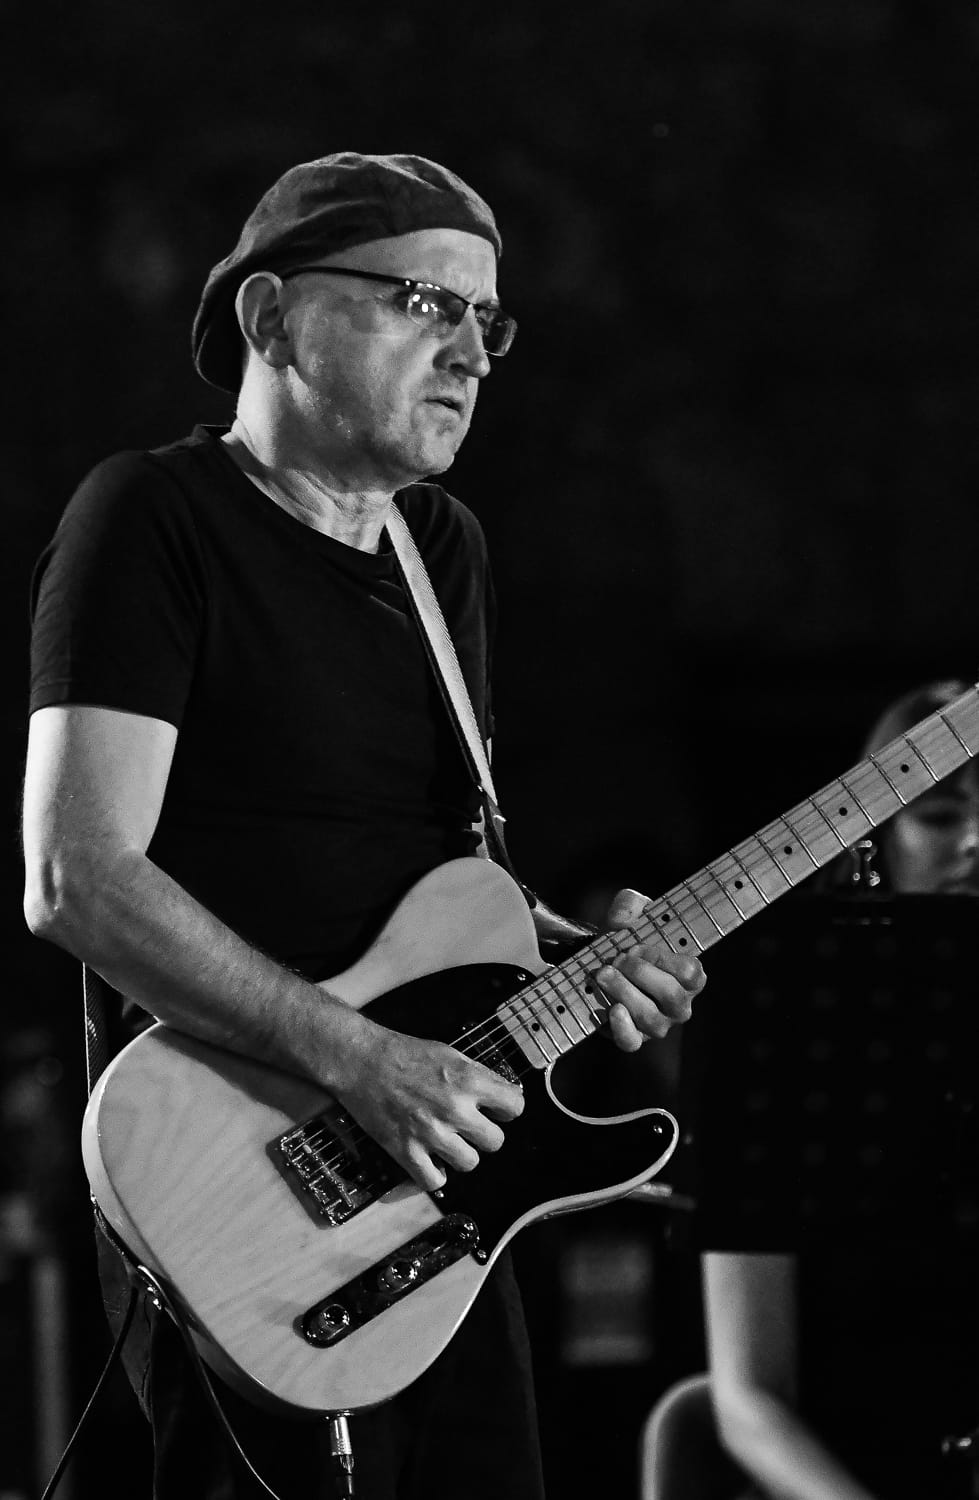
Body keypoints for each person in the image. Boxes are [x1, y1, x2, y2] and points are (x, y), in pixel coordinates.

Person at [21, 152, 706, 1500]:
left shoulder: (440, 550)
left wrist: (578, 951)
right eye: (424, 303)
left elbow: (431, 880)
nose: (472, 354)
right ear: (273, 318)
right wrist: (359, 1059)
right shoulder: (152, 518)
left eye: (487, 320)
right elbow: (76, 877)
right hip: (236, 1192)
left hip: (438, 1190)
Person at [649, 679, 979, 1500]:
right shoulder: (784, 1027)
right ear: (875, 840)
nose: (974, 840)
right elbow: (747, 1402)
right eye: (940, 814)